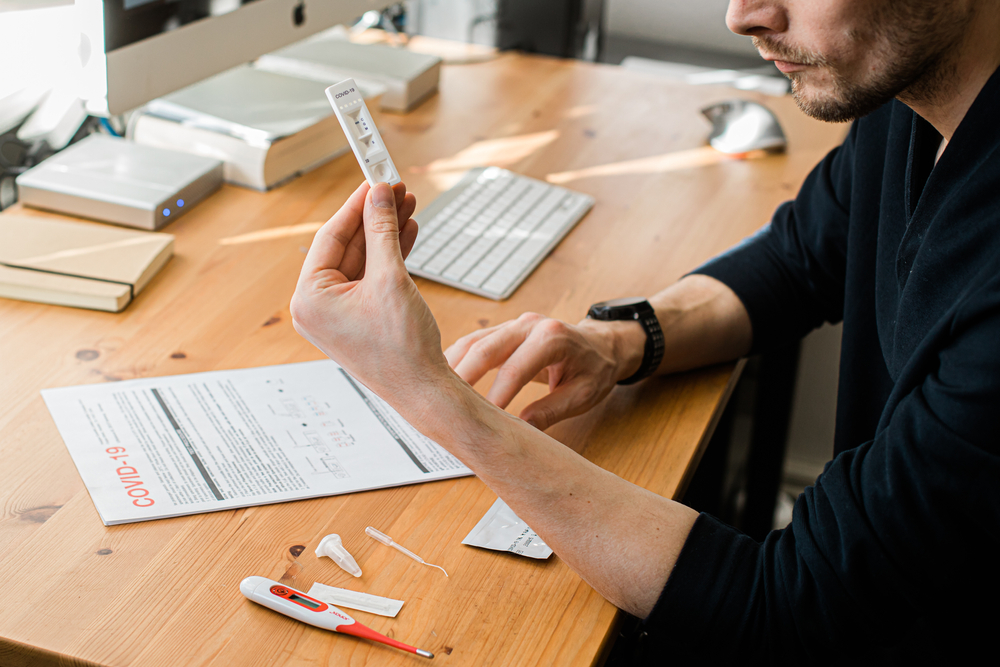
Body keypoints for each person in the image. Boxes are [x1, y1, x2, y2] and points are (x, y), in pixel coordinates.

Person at [290, 0, 1000, 661]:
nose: (743, 16)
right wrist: (623, 339)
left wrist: (430, 393)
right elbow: (805, 255)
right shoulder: (913, 97)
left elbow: (795, 606)